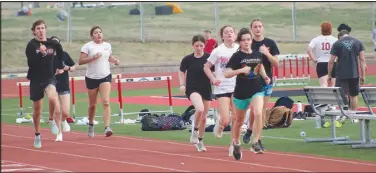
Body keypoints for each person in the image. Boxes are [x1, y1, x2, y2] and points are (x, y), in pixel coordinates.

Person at [224, 28, 271, 160]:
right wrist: (240, 70)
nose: (246, 42)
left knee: (258, 112)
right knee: (239, 121)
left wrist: (266, 77)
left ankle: (255, 141)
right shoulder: (237, 56)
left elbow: (259, 66)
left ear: (251, 40)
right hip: (241, 93)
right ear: (240, 42)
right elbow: (226, 73)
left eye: (248, 39)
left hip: (256, 90)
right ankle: (236, 143)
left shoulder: (257, 54)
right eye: (243, 40)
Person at [26, 19, 65, 148]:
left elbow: (60, 52)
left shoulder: (52, 43)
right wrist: (41, 54)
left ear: (46, 30)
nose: (41, 31)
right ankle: (37, 135)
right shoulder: (31, 45)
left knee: (53, 98)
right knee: (37, 111)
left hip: (49, 77)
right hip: (36, 78)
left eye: (42, 28)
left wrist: (60, 65)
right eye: (38, 28)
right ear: (34, 31)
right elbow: (31, 64)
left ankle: (51, 120)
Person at [242, 19, 280, 151]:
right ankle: (251, 130)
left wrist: (266, 53)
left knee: (261, 111)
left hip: (266, 81)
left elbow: (276, 64)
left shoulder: (270, 43)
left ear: (263, 28)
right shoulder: (248, 43)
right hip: (251, 81)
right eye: (255, 27)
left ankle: (257, 138)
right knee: (255, 110)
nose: (257, 29)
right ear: (251, 29)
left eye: (260, 26)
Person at [203, 25, 239, 156]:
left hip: (237, 87)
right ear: (222, 36)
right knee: (226, 120)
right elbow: (206, 67)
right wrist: (213, 79)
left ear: (235, 35)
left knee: (236, 118)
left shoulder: (239, 49)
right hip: (222, 87)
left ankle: (233, 145)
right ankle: (220, 124)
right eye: (226, 32)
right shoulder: (218, 51)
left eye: (231, 32)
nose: (229, 34)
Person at [78, 26, 120, 137]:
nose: (98, 34)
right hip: (91, 78)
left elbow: (108, 57)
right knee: (93, 105)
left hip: (105, 76)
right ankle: (91, 124)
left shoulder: (107, 45)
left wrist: (115, 60)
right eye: (96, 33)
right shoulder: (88, 46)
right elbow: (81, 61)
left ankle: (107, 127)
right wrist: (93, 57)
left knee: (106, 101)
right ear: (92, 35)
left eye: (100, 32)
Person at [179, 35, 213, 152]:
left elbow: (215, 71)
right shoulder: (187, 59)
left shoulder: (209, 58)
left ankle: (200, 140)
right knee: (200, 109)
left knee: (204, 117)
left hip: (206, 89)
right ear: (192, 45)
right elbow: (181, 71)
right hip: (192, 88)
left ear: (204, 46)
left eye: (201, 46)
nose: (199, 48)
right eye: (196, 45)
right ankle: (195, 130)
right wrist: (182, 84)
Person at [328, 30, 366, 115]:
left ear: (339, 37)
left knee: (342, 94)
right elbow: (362, 60)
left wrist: (329, 75)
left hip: (341, 73)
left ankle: (345, 115)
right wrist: (363, 75)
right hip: (354, 73)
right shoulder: (358, 42)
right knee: (354, 95)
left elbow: (331, 61)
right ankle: (354, 116)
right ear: (348, 34)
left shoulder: (337, 43)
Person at [50, 36, 76, 142]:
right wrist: (55, 72)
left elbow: (74, 67)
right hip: (52, 86)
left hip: (64, 86)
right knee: (57, 110)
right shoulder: (47, 57)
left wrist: (68, 68)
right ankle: (59, 134)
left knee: (65, 111)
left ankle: (64, 120)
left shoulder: (65, 55)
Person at [306, 21, 338, 87]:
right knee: (333, 85)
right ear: (330, 29)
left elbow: (309, 49)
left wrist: (313, 59)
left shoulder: (316, 39)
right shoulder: (335, 40)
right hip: (332, 62)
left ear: (321, 29)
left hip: (321, 63)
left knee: (323, 84)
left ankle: (324, 97)